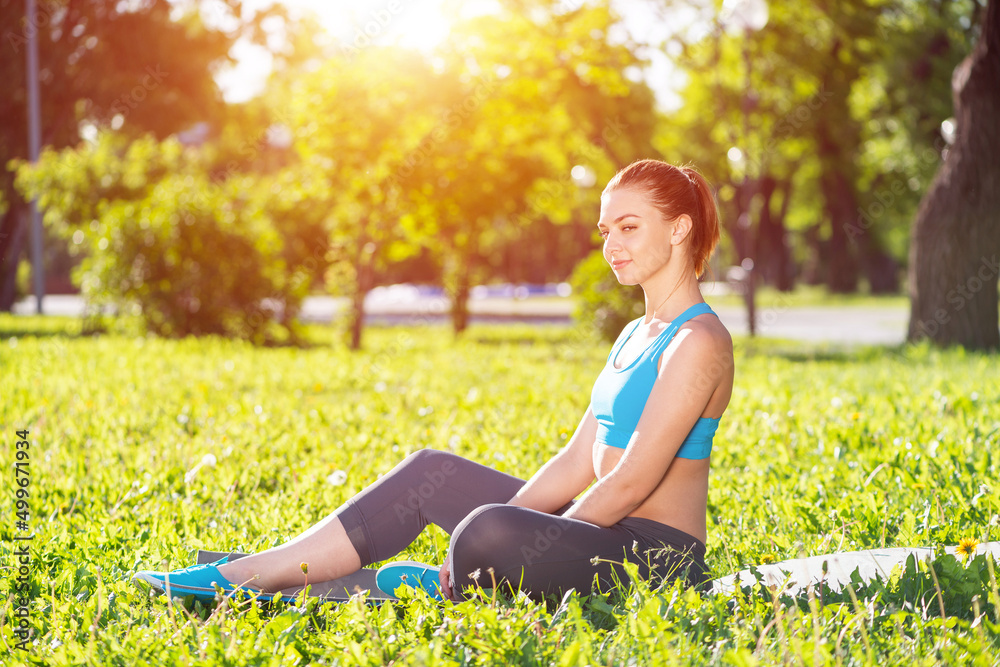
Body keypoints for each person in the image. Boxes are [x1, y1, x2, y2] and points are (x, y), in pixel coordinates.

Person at [134, 159, 734, 602]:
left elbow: (630, 484)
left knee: (489, 529)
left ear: (679, 230)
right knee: (429, 475)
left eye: (629, 227)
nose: (612, 245)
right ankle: (253, 574)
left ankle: (412, 581)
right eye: (606, 231)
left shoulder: (699, 341)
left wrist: (523, 537)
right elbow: (577, 462)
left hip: (654, 562)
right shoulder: (635, 333)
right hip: (592, 534)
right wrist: (519, 523)